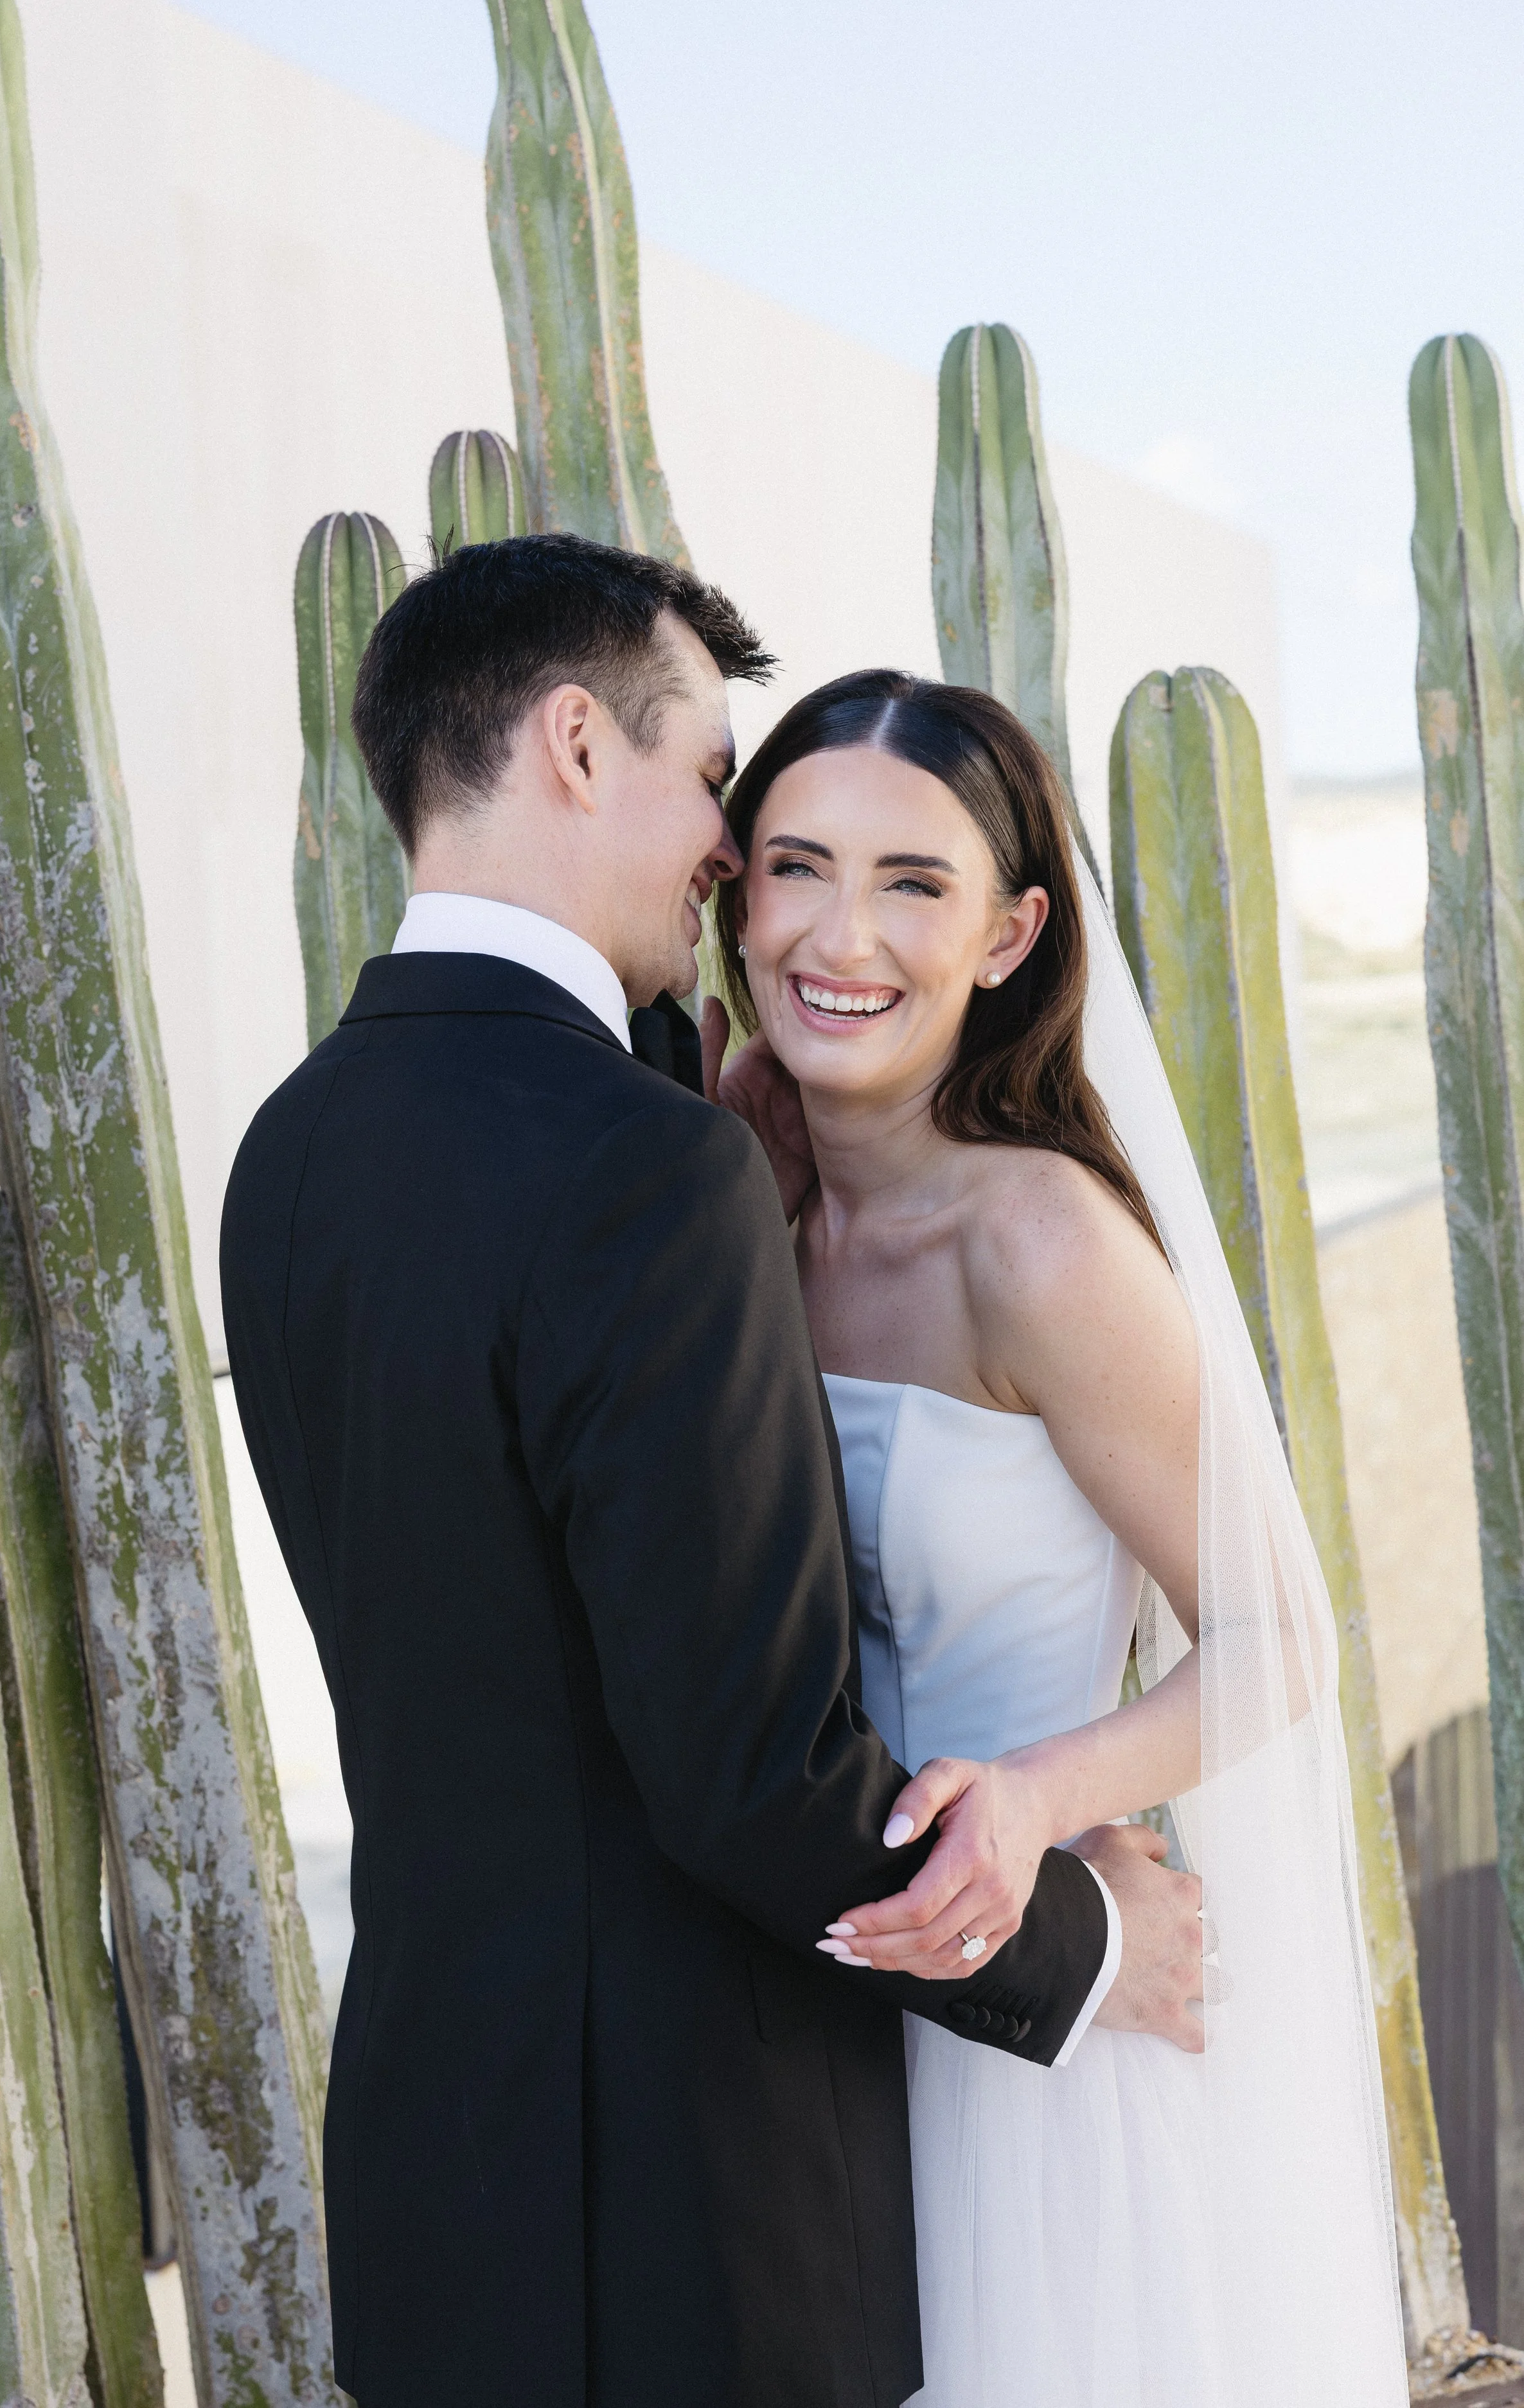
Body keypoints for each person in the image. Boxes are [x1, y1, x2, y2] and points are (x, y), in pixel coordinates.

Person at [219, 536, 1203, 2408]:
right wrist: (1083, 1945)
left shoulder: (298, 1141)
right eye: (708, 780)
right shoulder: (645, 1166)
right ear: (578, 746)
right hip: (689, 2200)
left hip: (442, 2165)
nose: (722, 848)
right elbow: (744, 1769)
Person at [704, 668, 1409, 2407]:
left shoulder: (1040, 1247)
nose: (836, 933)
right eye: (795, 865)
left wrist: (1031, 1804)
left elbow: (1275, 1646)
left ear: (1012, 933)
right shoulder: (734, 1188)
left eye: (912, 883)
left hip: (1031, 2043)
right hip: (800, 2032)